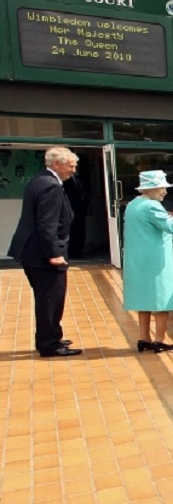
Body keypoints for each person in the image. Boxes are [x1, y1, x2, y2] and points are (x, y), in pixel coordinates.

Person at [7, 146, 81, 357]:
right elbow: (47, 224)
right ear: (56, 164)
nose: (73, 171)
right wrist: (54, 254)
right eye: (70, 166)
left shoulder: (38, 179)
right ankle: (50, 344)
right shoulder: (50, 186)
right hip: (42, 255)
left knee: (46, 298)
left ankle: (50, 337)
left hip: (31, 252)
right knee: (51, 299)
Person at [122, 170, 173, 354]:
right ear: (150, 189)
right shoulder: (152, 206)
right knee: (161, 300)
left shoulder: (134, 204)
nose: (165, 192)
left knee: (143, 300)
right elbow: (172, 228)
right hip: (155, 260)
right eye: (162, 188)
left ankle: (144, 338)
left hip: (137, 258)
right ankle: (159, 340)